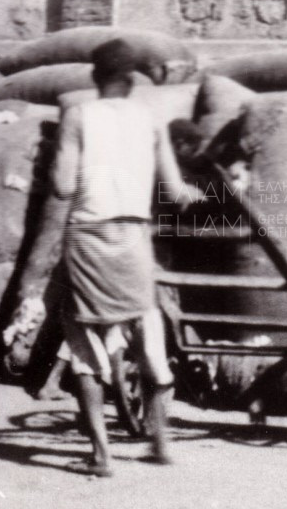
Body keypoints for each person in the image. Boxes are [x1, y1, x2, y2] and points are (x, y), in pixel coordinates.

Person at [51, 38, 203, 476]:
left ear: (95, 76)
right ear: (132, 81)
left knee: (84, 345)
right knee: (147, 332)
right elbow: (174, 191)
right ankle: (160, 443)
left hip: (88, 236)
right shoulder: (150, 119)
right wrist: (200, 194)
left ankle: (102, 456)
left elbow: (62, 186)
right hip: (133, 237)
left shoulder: (78, 115)